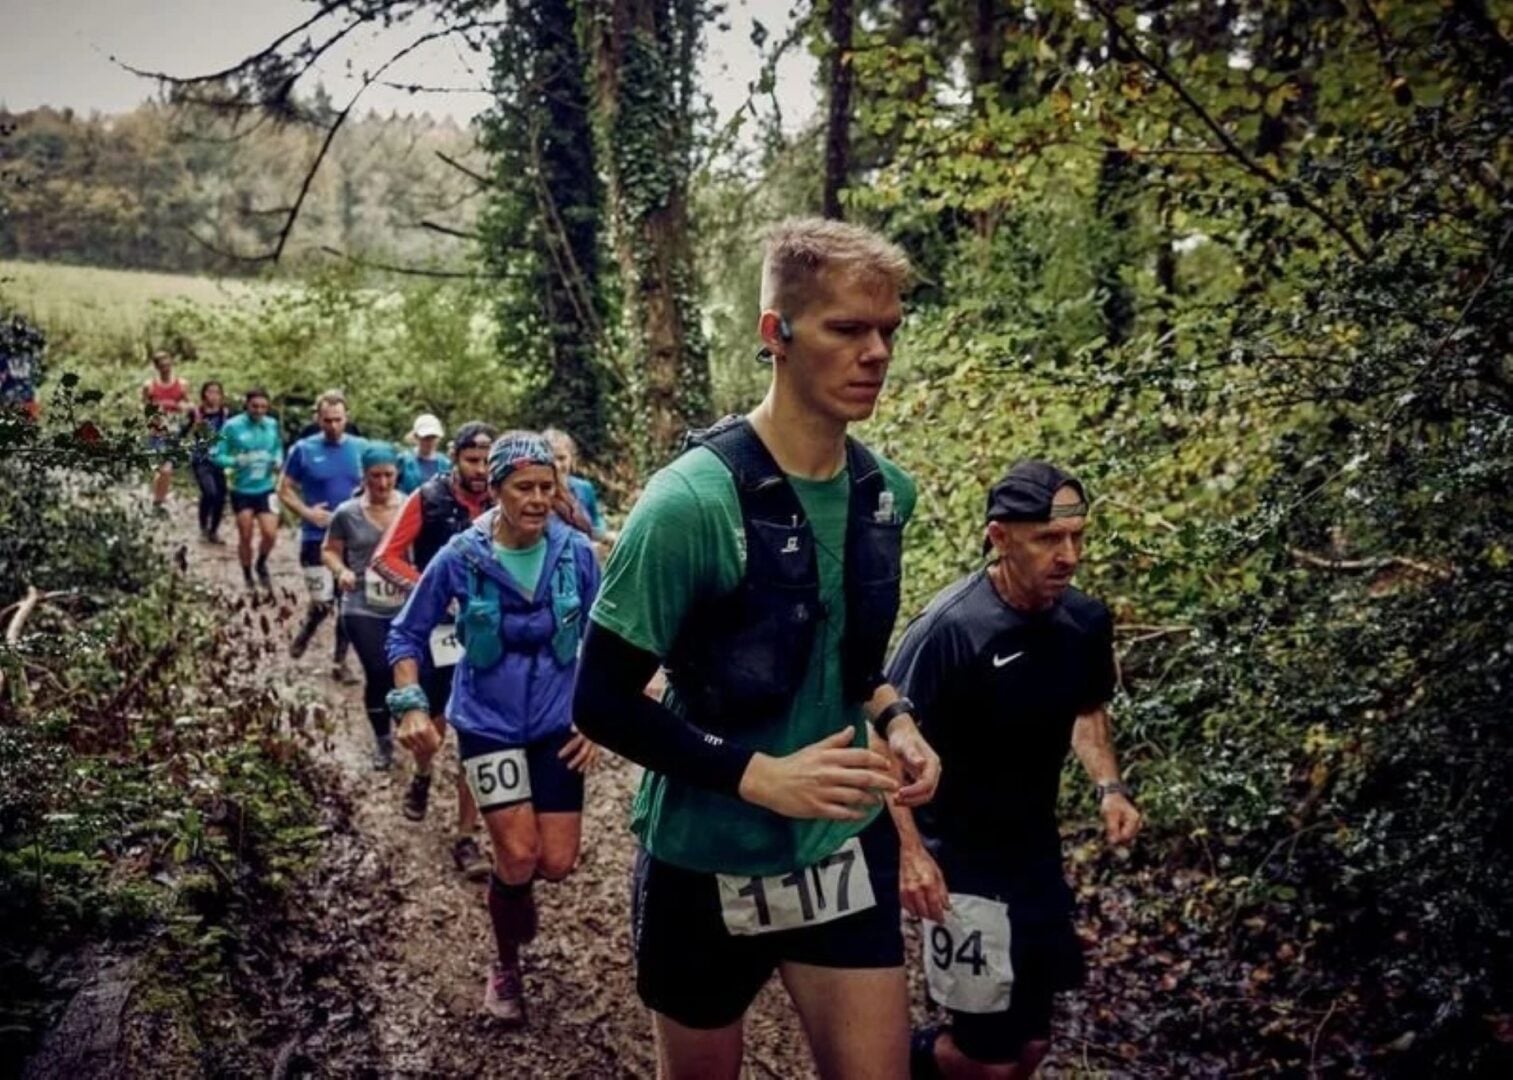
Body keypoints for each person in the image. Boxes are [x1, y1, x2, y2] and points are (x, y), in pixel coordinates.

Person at [573, 217, 941, 1080]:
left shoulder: (883, 494)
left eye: (888, 329)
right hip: (706, 858)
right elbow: (601, 702)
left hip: (839, 846)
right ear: (773, 334)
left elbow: (849, 661)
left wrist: (897, 719)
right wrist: (760, 776)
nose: (877, 352)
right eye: (847, 329)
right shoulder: (688, 506)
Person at [885, 462, 1142, 1080]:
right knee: (987, 1059)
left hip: (1034, 855)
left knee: (1028, 1047)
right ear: (999, 537)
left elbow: (1086, 707)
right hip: (961, 865)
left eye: (1078, 536)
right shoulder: (948, 630)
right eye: (1050, 539)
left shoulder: (1083, 622)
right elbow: (884, 743)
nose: (1070, 555)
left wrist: (1109, 787)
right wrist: (910, 854)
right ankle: (887, 1063)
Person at [385, 431, 601, 1024]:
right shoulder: (460, 555)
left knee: (556, 862)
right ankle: (505, 965)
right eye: (523, 487)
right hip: (488, 726)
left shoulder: (577, 553)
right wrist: (408, 704)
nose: (536, 498)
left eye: (546, 487)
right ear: (496, 490)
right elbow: (406, 633)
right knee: (518, 854)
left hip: (558, 724)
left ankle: (514, 890)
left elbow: (604, 638)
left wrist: (599, 718)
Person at [371, 421, 496, 878]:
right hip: (436, 634)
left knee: (479, 737)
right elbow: (385, 558)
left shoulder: (506, 499)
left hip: (486, 637)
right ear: (455, 458)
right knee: (435, 730)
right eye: (472, 461)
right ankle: (423, 774)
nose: (481, 471)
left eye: (487, 461)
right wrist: (430, 590)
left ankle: (466, 836)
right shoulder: (428, 497)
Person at [324, 442, 406, 770]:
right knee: (378, 670)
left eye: (388, 475)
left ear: (397, 474)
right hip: (361, 603)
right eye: (375, 476)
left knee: (406, 669)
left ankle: (405, 716)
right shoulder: (347, 512)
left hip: (403, 602)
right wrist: (340, 570)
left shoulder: (412, 507)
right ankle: (383, 741)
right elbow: (329, 549)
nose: (383, 483)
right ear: (364, 476)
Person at [279, 390, 365, 682]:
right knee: (322, 600)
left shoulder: (361, 448)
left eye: (338, 420)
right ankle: (309, 627)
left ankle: (341, 662)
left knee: (348, 602)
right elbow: (284, 489)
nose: (333, 426)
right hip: (315, 536)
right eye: (327, 420)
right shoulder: (302, 450)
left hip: (352, 537)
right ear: (318, 419)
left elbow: (377, 483)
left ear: (346, 417)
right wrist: (306, 512)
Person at [213, 388, 284, 591]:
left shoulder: (271, 424)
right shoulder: (232, 426)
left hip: (266, 487)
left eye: (263, 407)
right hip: (241, 489)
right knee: (246, 534)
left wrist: (278, 460)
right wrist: (235, 461)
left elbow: (278, 447)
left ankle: (261, 563)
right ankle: (247, 575)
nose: (259, 411)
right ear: (247, 405)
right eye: (255, 406)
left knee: (270, 534)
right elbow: (217, 454)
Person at [142, 351, 191, 515]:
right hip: (156, 433)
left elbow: (189, 406)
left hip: (174, 432)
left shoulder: (182, 384)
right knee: (164, 470)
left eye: (167, 365)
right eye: (161, 366)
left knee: (165, 470)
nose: (165, 368)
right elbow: (144, 409)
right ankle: (158, 501)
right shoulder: (149, 386)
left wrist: (183, 408)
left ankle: (157, 501)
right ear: (156, 367)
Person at [543, 427, 610, 542]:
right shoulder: (537, 492)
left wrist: (602, 534)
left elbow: (596, 520)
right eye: (551, 459)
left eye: (561, 458)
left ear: (572, 459)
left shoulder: (584, 488)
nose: (557, 465)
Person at [185, 380, 231, 544]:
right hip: (201, 458)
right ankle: (203, 527)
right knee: (209, 492)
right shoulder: (196, 413)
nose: (213, 396)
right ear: (204, 394)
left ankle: (214, 531)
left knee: (221, 495)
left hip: (219, 458)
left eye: (217, 392)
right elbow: (183, 431)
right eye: (210, 392)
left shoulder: (225, 413)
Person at [398, 413, 452, 494]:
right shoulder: (403, 460)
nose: (430, 442)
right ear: (416, 437)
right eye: (426, 438)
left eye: (433, 437)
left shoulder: (445, 463)